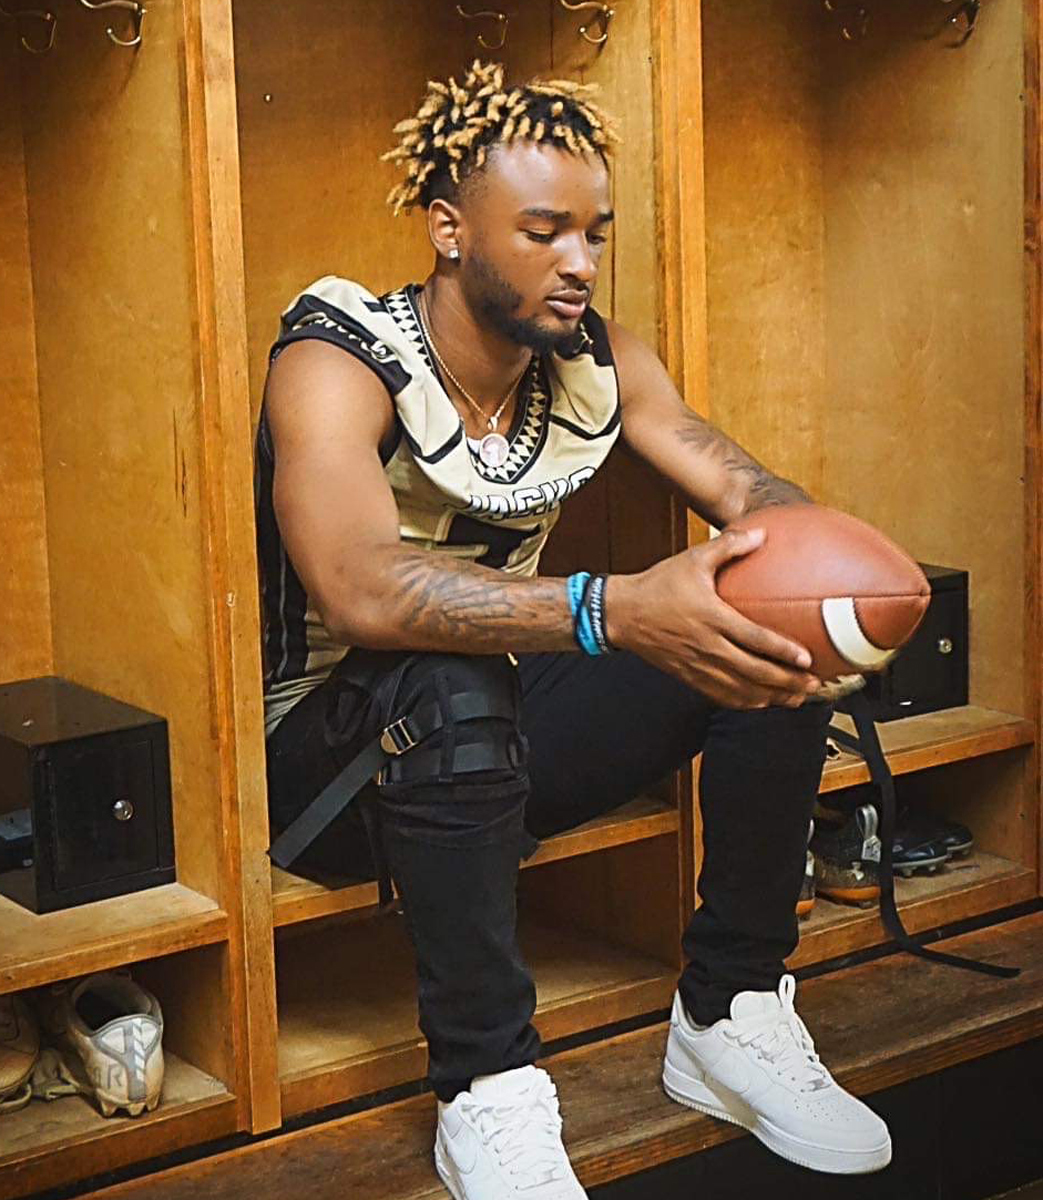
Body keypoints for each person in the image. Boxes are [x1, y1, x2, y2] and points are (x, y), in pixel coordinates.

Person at [256, 60, 891, 1200]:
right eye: (544, 231)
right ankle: (488, 1091)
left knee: (766, 625)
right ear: (449, 230)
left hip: (495, 743)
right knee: (441, 681)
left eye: (592, 232)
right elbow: (359, 586)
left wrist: (799, 561)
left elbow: (748, 488)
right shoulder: (337, 355)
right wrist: (615, 607)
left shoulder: (596, 357)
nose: (579, 263)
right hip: (323, 772)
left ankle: (729, 1010)